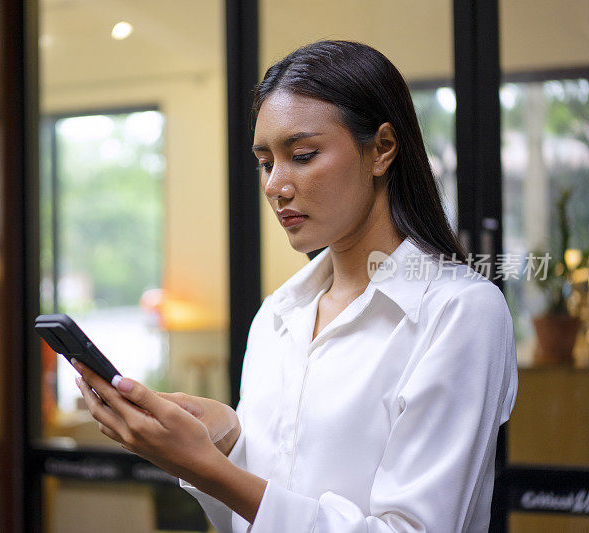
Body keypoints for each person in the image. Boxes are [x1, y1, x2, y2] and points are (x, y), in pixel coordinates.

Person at [72, 40, 518, 532]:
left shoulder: (459, 311)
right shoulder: (278, 316)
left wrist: (206, 468)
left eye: (302, 155)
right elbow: (253, 517)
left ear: (382, 149)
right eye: (266, 162)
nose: (274, 185)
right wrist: (225, 441)